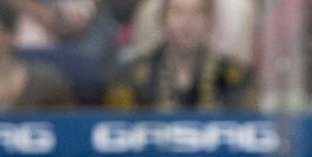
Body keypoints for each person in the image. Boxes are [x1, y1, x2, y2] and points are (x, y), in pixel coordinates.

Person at [102, 0, 255, 110]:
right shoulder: (130, 77)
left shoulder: (235, 78)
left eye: (197, 13)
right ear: (162, 19)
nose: (187, 24)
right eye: (178, 13)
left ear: (209, 21)